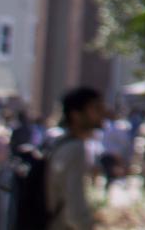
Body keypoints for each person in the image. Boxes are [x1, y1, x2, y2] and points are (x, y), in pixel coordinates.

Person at [47, 87, 104, 230]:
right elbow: (75, 212)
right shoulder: (75, 150)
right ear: (76, 115)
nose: (102, 113)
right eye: (95, 108)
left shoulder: (60, 145)